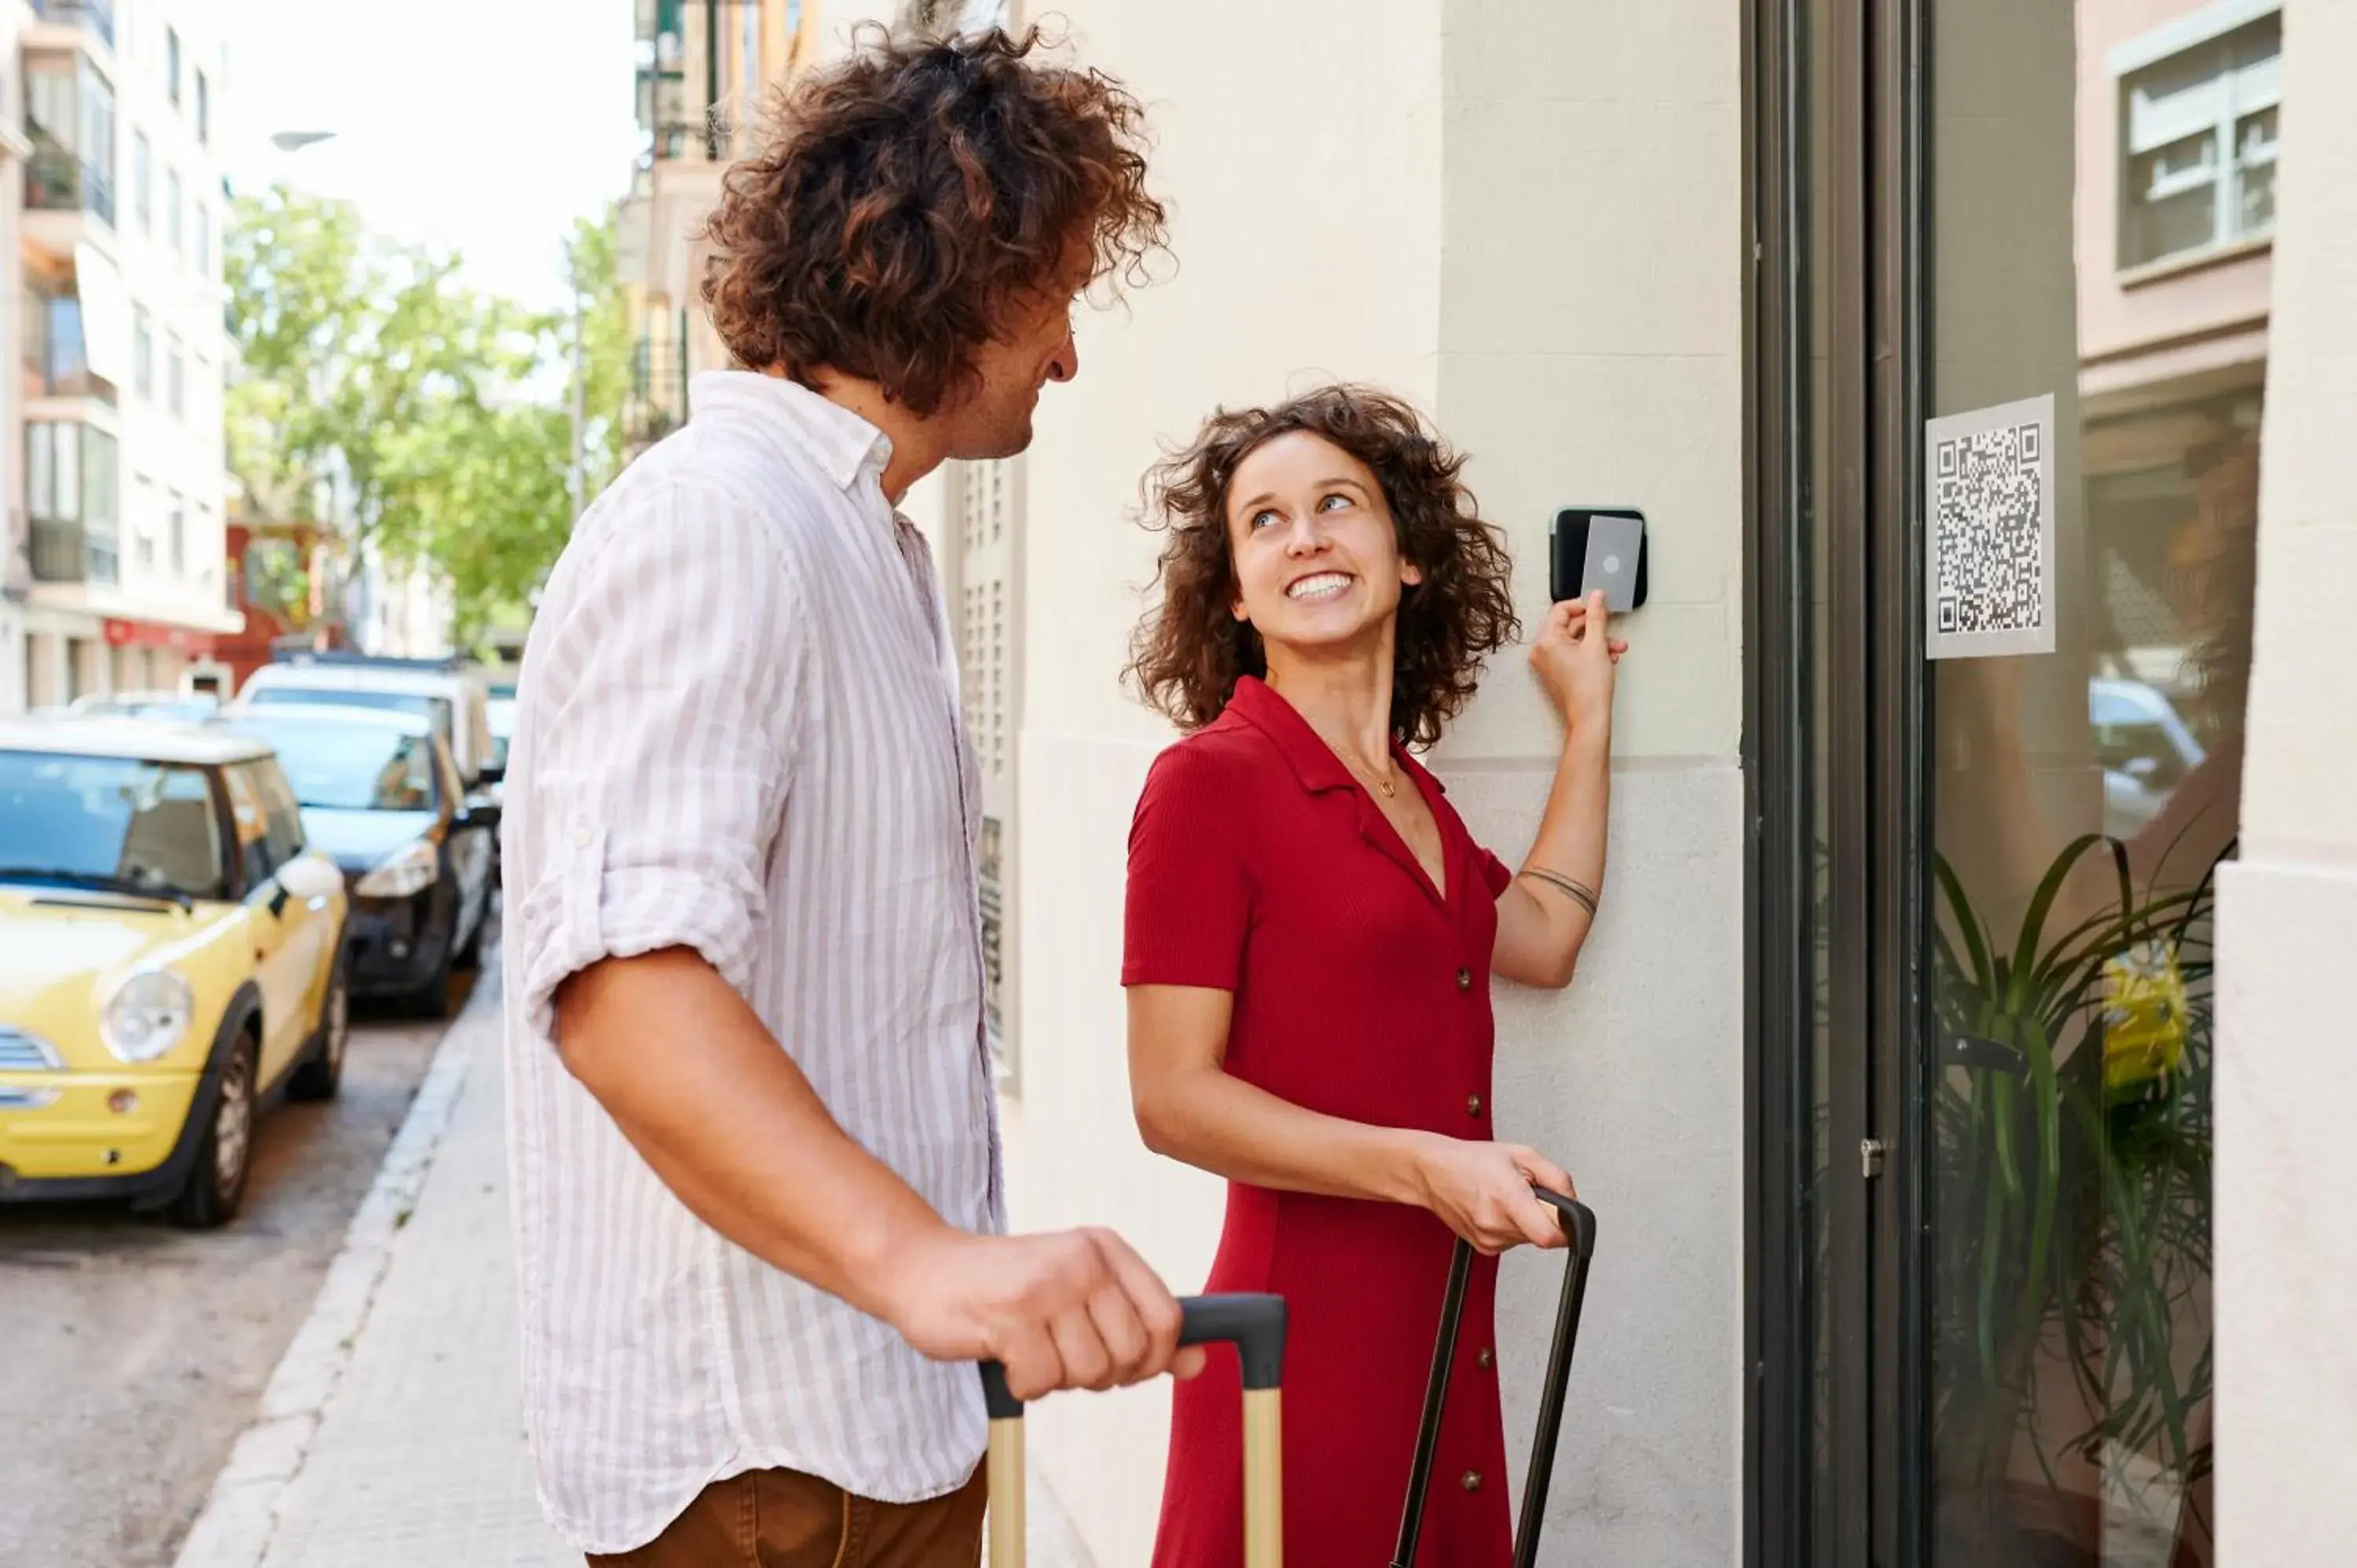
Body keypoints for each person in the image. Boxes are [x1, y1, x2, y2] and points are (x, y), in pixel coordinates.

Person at [500, 27, 1197, 1568]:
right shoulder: (719, 525)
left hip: (869, 1425)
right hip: (766, 1468)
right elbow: (624, 986)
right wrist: (929, 1262)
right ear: (964, 273)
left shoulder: (853, 543)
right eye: (1061, 293)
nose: (1071, 352)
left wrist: (941, 1291)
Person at [1121, 385, 1625, 1566]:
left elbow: (1542, 935)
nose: (1306, 535)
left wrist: (1589, 723)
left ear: (1404, 556)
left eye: (1337, 504)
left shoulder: (1417, 801)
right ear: (1237, 595)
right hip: (1297, 1361)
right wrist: (1428, 1168)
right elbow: (1170, 1098)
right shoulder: (1207, 785)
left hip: (1448, 1342)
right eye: (1266, 520)